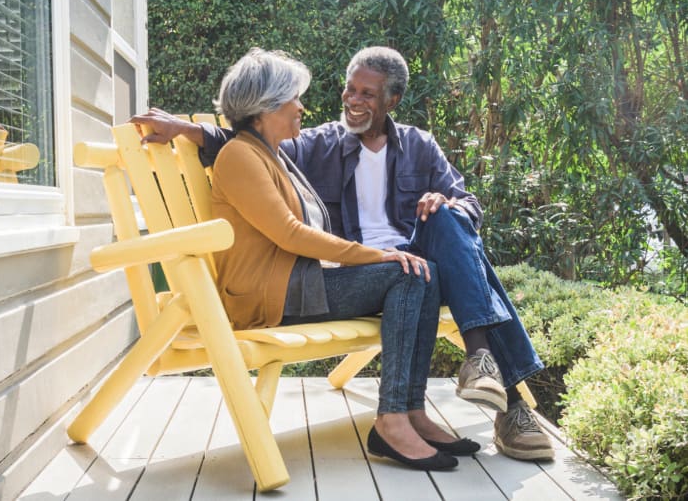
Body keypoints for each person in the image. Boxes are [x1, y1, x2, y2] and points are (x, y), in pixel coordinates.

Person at [131, 46, 554, 462]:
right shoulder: (308, 147)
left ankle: (430, 397)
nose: (349, 100)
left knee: (448, 224)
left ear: (394, 100)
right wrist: (189, 130)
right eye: (348, 90)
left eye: (367, 94)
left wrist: (445, 206)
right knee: (419, 271)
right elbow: (252, 156)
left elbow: (468, 205)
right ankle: (483, 402)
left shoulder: (419, 146)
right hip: (320, 277)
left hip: (391, 260)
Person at [202, 47, 484, 471]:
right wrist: (376, 256)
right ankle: (392, 418)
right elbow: (291, 235)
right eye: (294, 98)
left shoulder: (272, 154)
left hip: (297, 286)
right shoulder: (242, 156)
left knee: (422, 271)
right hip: (270, 299)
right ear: (265, 108)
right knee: (407, 274)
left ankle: (410, 411)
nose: (302, 106)